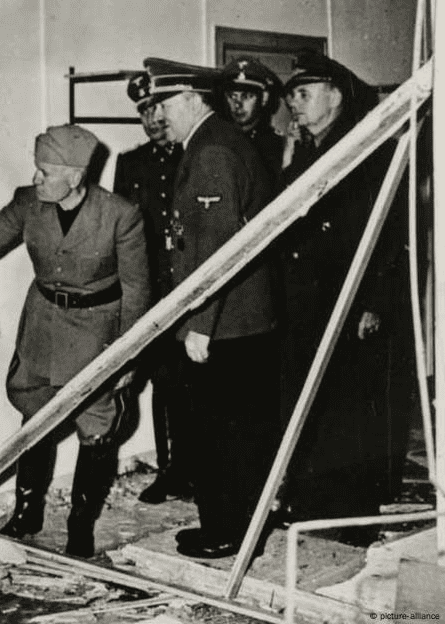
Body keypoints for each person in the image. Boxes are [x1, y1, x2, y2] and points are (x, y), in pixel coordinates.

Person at [0, 124, 150, 557]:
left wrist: (128, 358)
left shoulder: (120, 215)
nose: (36, 178)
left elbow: (138, 291)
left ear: (75, 177)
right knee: (35, 417)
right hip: (43, 327)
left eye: (45, 172)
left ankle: (80, 528)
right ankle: (27, 514)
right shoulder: (28, 203)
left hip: (98, 332)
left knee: (97, 429)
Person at [143, 57, 280, 559]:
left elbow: (218, 249)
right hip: (236, 319)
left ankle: (227, 532)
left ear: (192, 99)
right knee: (229, 432)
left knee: (222, 435)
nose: (159, 116)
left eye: (165, 104)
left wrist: (200, 325)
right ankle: (231, 526)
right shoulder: (213, 142)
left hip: (226, 323)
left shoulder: (213, 151)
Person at [277, 51, 409, 545]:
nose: (294, 104)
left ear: (334, 96)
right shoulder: (308, 150)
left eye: (303, 94)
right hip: (308, 300)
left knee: (353, 407)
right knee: (312, 402)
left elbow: (390, 233)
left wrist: (375, 302)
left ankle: (354, 514)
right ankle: (312, 501)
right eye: (291, 96)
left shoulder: (367, 149)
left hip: (351, 300)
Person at [113, 72, 194, 505]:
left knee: (197, 384)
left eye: (159, 108)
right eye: (144, 112)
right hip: (151, 294)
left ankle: (201, 470)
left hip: (191, 287)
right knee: (163, 384)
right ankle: (170, 471)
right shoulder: (131, 164)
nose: (153, 119)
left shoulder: (195, 155)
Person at [219, 56, 284, 178]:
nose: (237, 105)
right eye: (232, 96)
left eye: (247, 96)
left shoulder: (276, 146)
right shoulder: (218, 139)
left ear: (264, 98)